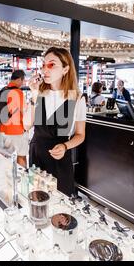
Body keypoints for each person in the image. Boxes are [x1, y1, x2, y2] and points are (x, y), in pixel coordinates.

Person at [25, 47, 86, 196]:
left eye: (51, 65)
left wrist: (66, 146)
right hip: (37, 155)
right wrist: (33, 95)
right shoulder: (39, 93)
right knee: (37, 201)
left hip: (59, 157)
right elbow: (26, 124)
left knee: (61, 205)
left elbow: (80, 134)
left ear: (65, 69)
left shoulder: (77, 98)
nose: (45, 69)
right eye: (43, 65)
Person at [0, 70, 29, 168]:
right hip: (17, 130)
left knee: (7, 156)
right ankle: (23, 180)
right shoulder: (17, 92)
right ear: (19, 79)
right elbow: (24, 111)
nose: (23, 83)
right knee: (21, 156)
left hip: (4, 130)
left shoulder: (2, 90)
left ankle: (7, 179)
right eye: (23, 81)